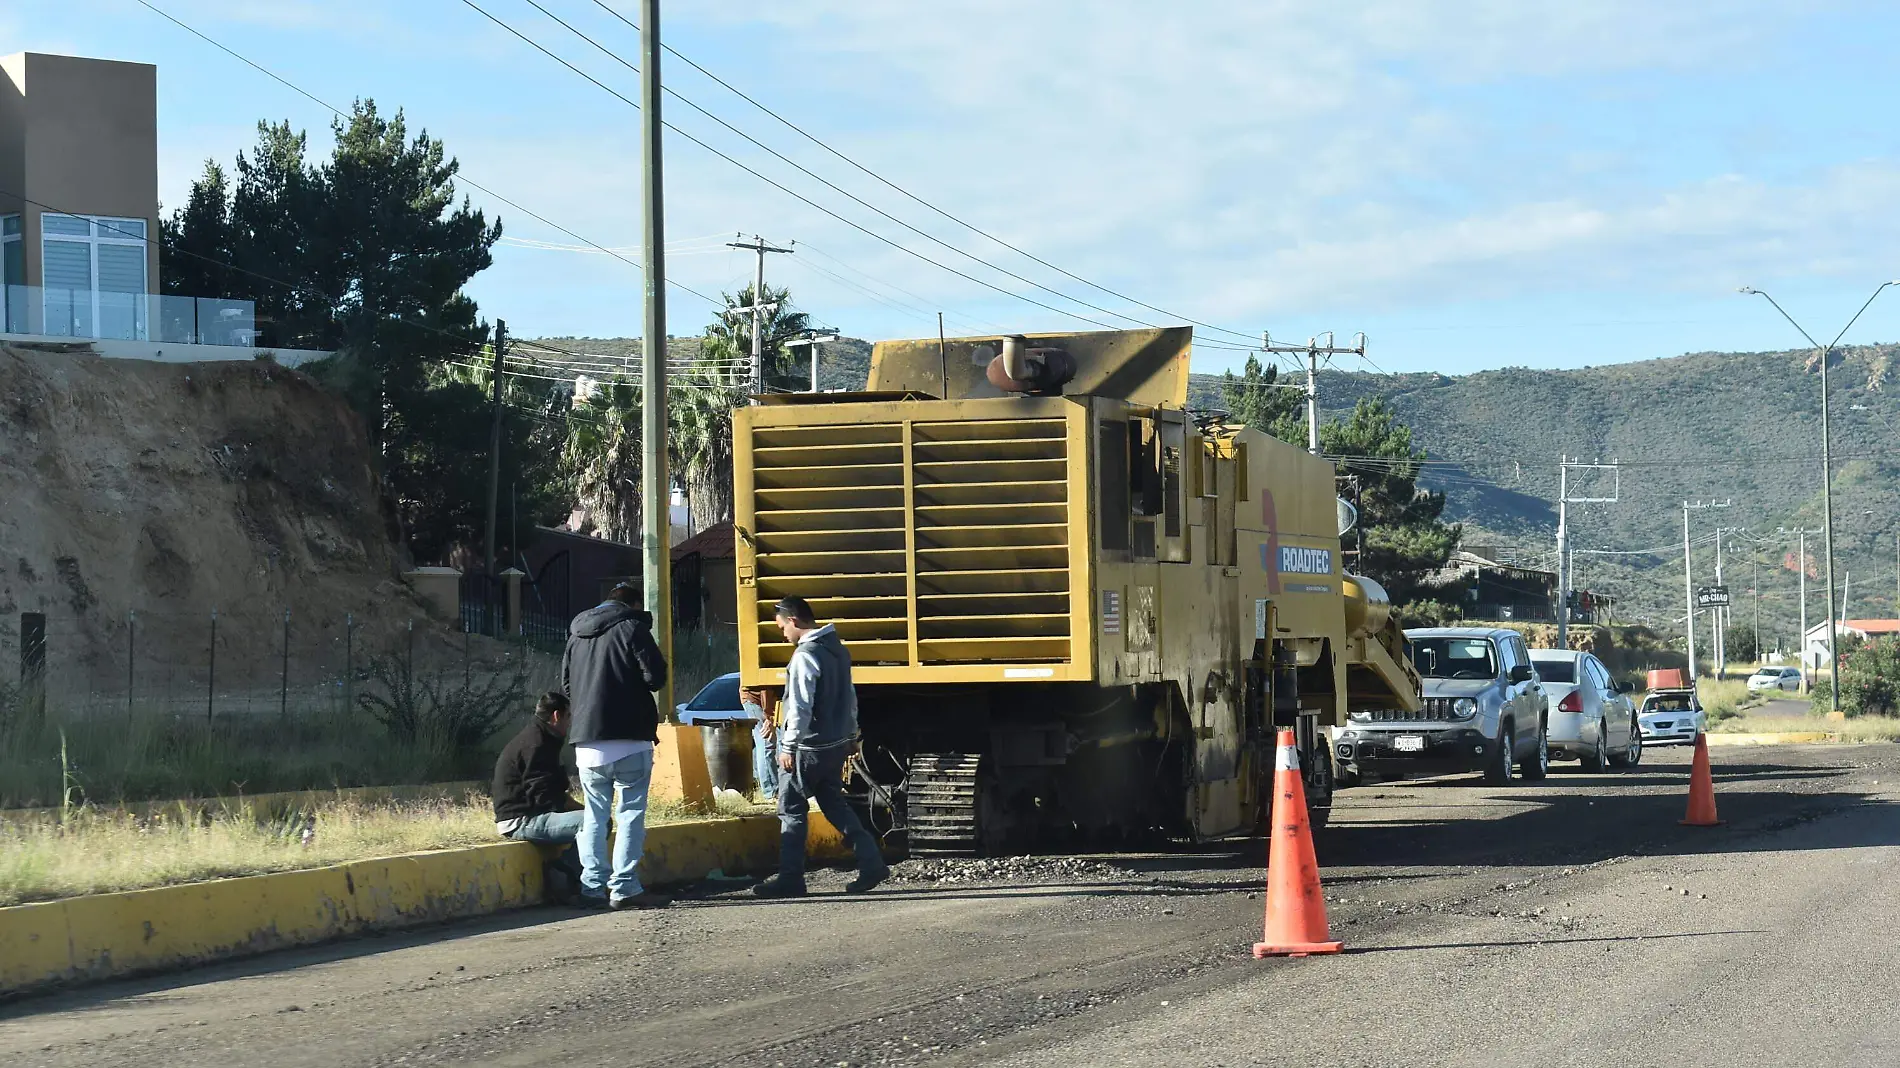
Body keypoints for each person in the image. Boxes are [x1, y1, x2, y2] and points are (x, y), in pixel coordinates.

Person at [753, 597, 890, 898]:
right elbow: (850, 697)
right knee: (834, 805)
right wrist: (852, 734)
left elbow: (799, 707)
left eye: (782, 628)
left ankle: (790, 878)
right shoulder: (838, 650)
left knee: (791, 810)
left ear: (794, 621)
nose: (782, 634)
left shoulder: (805, 655)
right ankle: (871, 862)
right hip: (836, 745)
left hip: (808, 747)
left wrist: (788, 746)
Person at [563, 582, 671, 909]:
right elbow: (655, 678)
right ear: (633, 604)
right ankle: (624, 887)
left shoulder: (576, 634)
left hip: (587, 743)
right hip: (629, 740)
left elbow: (567, 685)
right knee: (630, 815)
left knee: (594, 818)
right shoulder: (632, 627)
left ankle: (592, 886)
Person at [492, 691, 585, 902]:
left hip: (528, 814)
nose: (570, 723)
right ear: (556, 716)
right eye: (568, 716)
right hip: (520, 819)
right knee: (595, 823)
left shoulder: (541, 737)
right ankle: (566, 872)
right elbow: (546, 797)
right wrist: (585, 811)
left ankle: (570, 872)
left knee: (594, 819)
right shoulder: (536, 744)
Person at [742, 686, 778, 802]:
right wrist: (769, 717)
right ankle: (771, 792)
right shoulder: (770, 674)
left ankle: (761, 782)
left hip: (767, 700)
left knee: (767, 741)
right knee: (765, 740)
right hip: (756, 700)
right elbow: (766, 690)